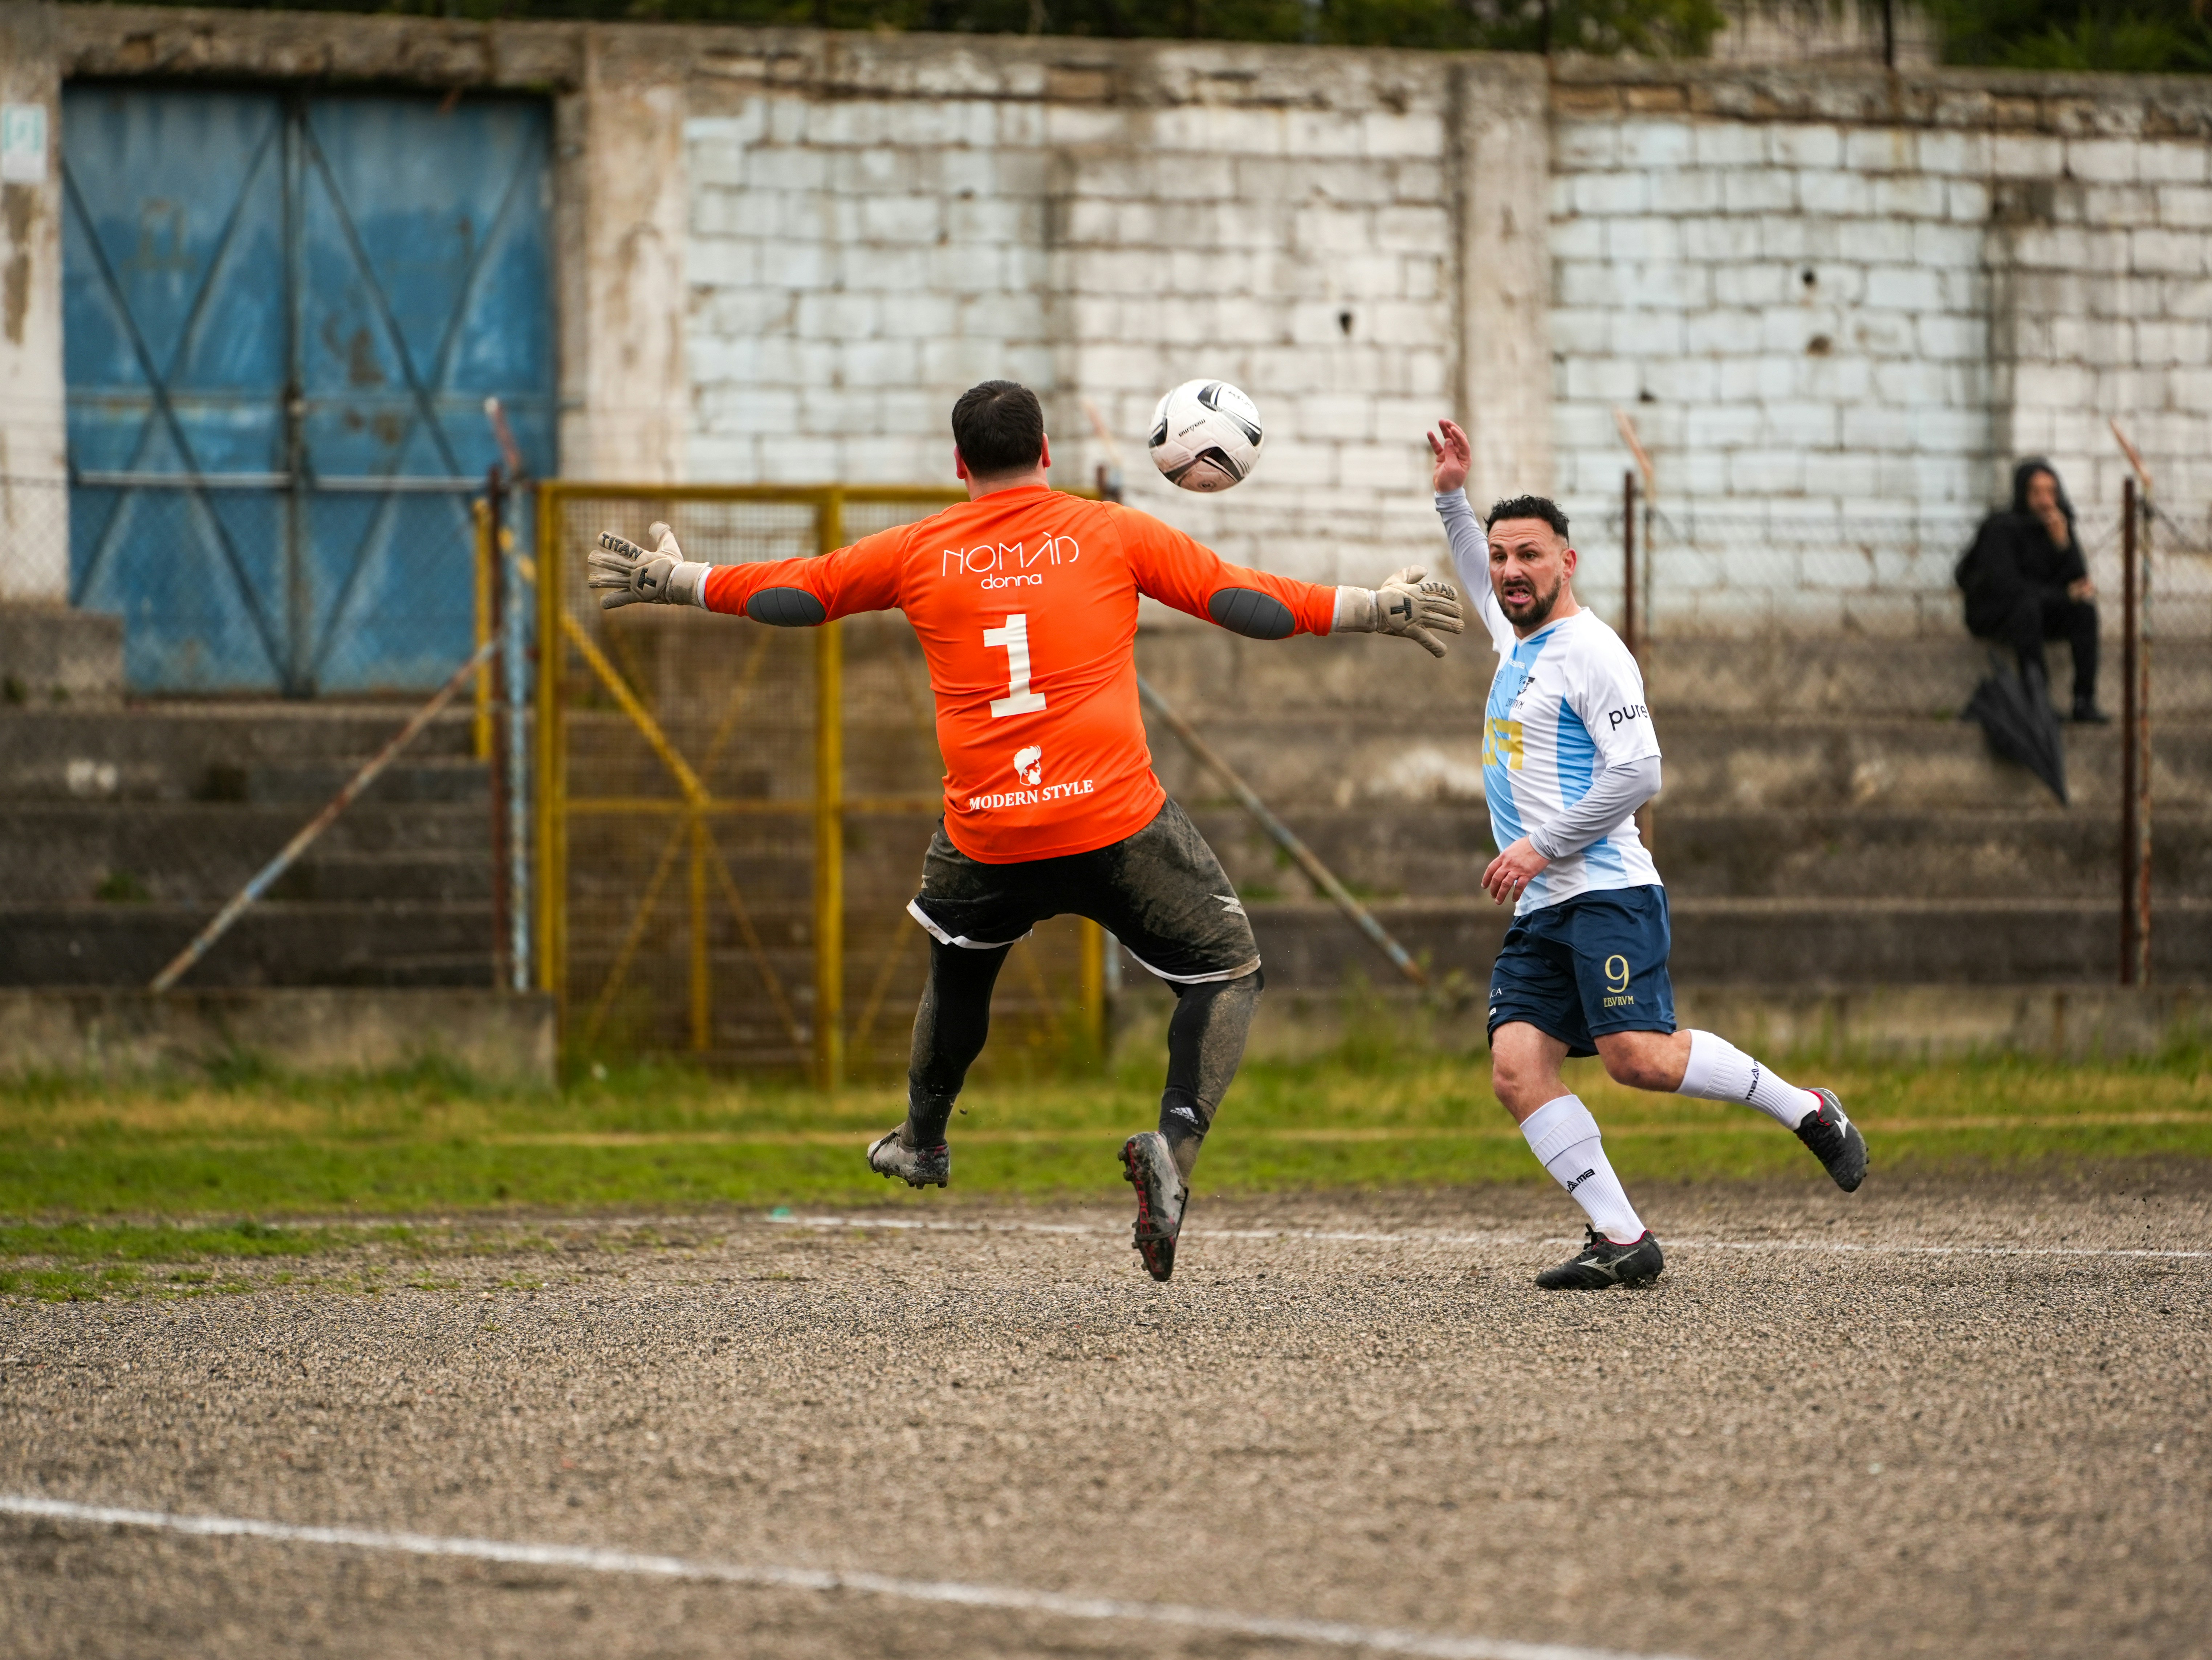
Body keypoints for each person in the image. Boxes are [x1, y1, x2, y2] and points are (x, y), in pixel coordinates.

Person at [590, 380, 1465, 1282]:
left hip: (990, 836)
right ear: (1046, 451)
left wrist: (680, 582)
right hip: (1114, 821)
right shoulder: (1108, 531)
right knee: (1227, 969)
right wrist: (1374, 606)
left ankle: (924, 1140)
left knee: (960, 964)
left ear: (960, 464)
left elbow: (802, 593)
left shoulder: (917, 548)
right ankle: (1175, 1146)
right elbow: (1238, 599)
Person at [1425, 418, 1867, 1291]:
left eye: (1531, 556)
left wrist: (1535, 846)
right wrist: (1450, 495)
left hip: (1605, 891)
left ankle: (1807, 1108)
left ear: (1568, 562)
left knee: (1639, 1058)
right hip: (1541, 906)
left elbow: (1641, 771)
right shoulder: (1512, 632)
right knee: (1517, 1069)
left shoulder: (1592, 653)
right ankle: (1622, 1237)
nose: (1511, 570)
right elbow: (1474, 563)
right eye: (1505, 556)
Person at [1957, 459, 2108, 723]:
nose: (2045, 501)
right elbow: (2008, 588)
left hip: (2039, 609)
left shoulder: (2058, 526)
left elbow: (2078, 584)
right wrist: (2062, 595)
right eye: (2037, 492)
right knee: (2027, 607)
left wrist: (2063, 544)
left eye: (2051, 492)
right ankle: (2037, 702)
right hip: (1994, 612)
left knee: (2084, 612)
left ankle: (2085, 701)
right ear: (2022, 494)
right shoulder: (2001, 527)